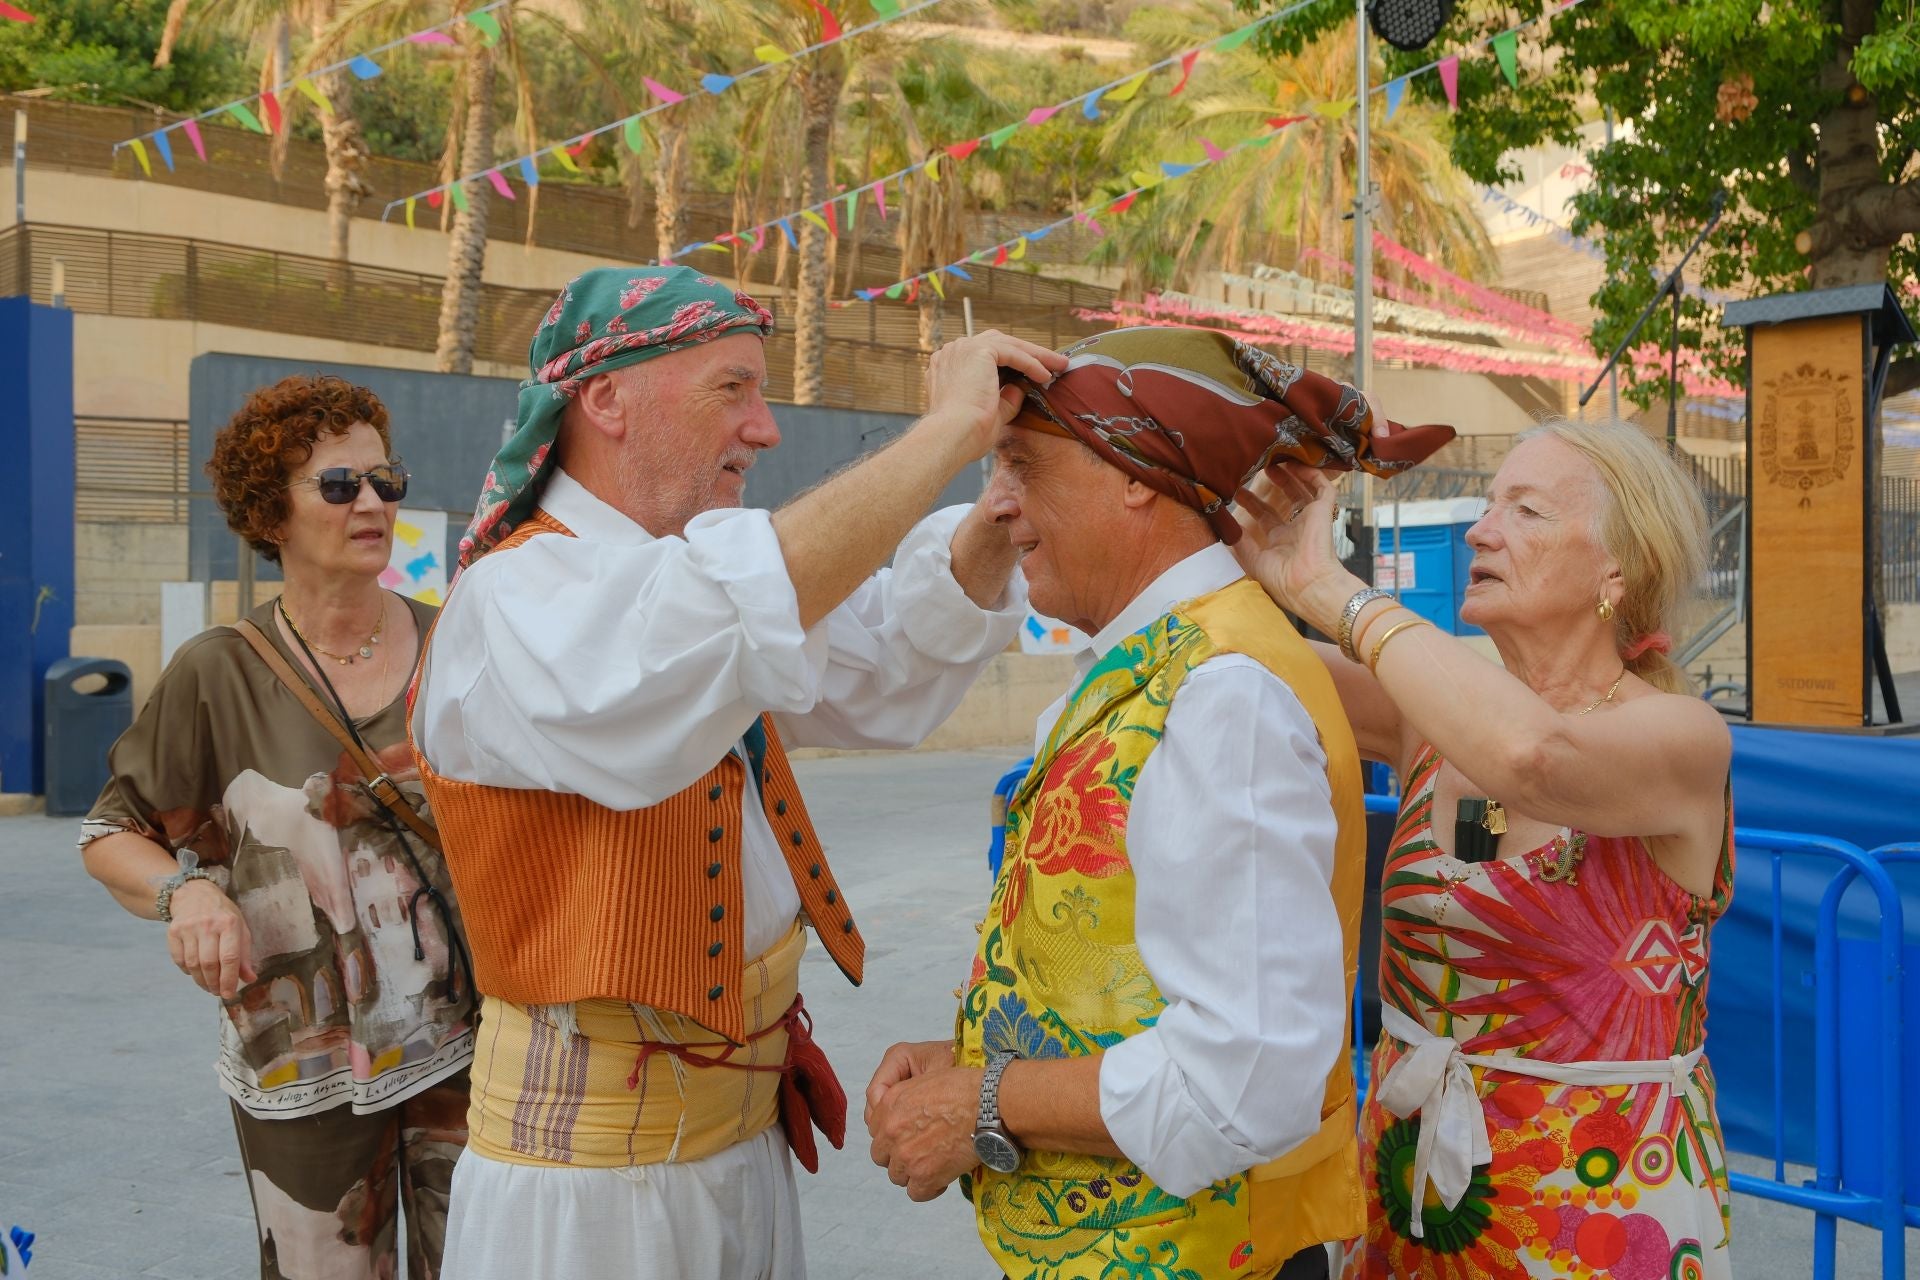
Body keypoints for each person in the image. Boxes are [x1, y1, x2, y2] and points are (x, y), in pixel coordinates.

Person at [409, 265, 1066, 1280]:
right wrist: (947, 433)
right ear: (606, 396)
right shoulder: (514, 596)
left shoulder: (695, 570)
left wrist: (992, 513)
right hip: (587, 1190)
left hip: (736, 1148)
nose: (764, 428)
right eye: (733, 388)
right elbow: (714, 618)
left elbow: (886, 658)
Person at [863, 326, 1456, 1280]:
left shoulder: (1221, 694)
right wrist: (975, 1055)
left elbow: (1250, 1076)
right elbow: (1145, 984)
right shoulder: (1169, 668)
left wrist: (987, 1099)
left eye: (1018, 465)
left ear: (1135, 473)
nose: (999, 509)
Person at [1233, 417, 1736, 1279]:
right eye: (1490, 503)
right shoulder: (1434, 715)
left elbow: (1531, 757)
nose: (1480, 527)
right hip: (1411, 1187)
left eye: (1527, 510)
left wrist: (1329, 587)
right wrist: (1241, 530)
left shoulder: (1683, 737)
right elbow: (1245, 661)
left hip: (1598, 1212)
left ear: (1618, 566)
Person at [80, 374, 472, 1278]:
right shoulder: (218, 673)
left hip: (474, 1052)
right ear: (272, 512)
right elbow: (112, 831)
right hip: (306, 1075)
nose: (373, 502)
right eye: (341, 486)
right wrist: (187, 891)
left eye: (386, 480)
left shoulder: (462, 647)